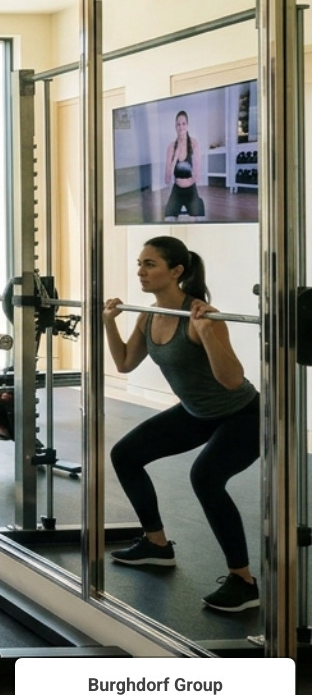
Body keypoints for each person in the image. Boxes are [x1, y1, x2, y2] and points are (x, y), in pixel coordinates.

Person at [102, 236, 260, 612]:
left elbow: (232, 380)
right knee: (125, 455)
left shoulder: (203, 317)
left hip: (242, 414)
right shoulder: (148, 315)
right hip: (195, 412)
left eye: (150, 264)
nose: (141, 271)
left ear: (176, 272)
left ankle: (243, 581)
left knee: (206, 477)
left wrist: (206, 334)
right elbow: (124, 363)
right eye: (139, 264)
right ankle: (156, 544)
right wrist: (109, 323)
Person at [161, 110, 205, 221]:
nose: (181, 127)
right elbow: (167, 180)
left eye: (183, 124)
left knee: (199, 219)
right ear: (175, 127)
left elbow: (197, 177)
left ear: (188, 125)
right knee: (168, 219)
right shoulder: (171, 147)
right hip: (177, 190)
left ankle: (198, 202)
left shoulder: (194, 144)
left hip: (191, 190)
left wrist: (194, 170)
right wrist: (175, 157)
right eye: (178, 124)